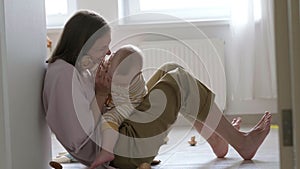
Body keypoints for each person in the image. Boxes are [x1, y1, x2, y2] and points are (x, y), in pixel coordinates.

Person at [43, 10, 272, 169]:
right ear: (83, 44)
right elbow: (81, 140)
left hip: (118, 136)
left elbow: (94, 112)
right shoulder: (63, 76)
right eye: (103, 47)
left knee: (170, 69)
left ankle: (216, 140)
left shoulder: (77, 69)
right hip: (119, 153)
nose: (108, 52)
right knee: (178, 81)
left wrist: (109, 89)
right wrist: (102, 94)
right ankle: (242, 143)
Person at [96, 45, 148, 165]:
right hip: (120, 101)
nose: (114, 82)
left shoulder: (132, 81)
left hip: (131, 104)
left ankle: (107, 151)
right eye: (111, 76)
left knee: (108, 119)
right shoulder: (116, 69)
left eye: (119, 82)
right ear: (110, 60)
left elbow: (114, 100)